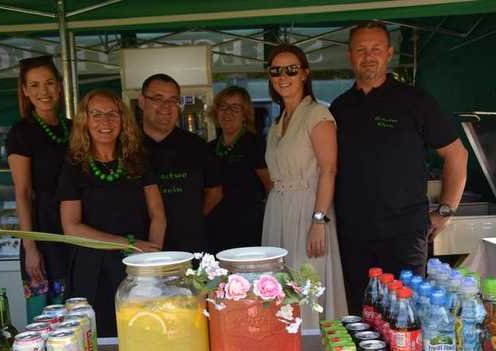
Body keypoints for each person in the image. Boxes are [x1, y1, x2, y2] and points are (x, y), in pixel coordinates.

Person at [330, 22, 468, 315]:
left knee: (407, 317)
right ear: (349, 55)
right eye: (361, 50)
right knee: (362, 314)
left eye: (376, 49)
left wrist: (445, 211)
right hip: (353, 233)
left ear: (390, 53)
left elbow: (456, 154)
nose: (369, 56)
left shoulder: (414, 101)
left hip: (404, 233)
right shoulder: (339, 108)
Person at [58, 89, 166, 337]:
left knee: (142, 332)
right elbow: (71, 227)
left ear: (123, 120)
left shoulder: (138, 160)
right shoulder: (73, 167)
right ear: (85, 121)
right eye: (96, 114)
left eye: (112, 114)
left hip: (135, 267)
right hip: (91, 269)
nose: (105, 122)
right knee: (98, 340)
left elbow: (158, 214)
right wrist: (129, 244)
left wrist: (150, 262)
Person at [262, 44, 348, 321]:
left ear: (304, 74)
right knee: (281, 286)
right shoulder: (280, 120)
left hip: (308, 209)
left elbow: (329, 169)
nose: (282, 76)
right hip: (279, 209)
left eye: (291, 69)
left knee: (307, 284)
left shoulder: (317, 115)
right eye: (276, 71)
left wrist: (318, 220)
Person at [7, 55, 72, 302]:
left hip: (75, 227)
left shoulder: (73, 128)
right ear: (24, 91)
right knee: (49, 315)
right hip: (44, 231)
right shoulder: (21, 133)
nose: (43, 91)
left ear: (60, 85)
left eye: (49, 83)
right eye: (34, 85)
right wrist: (30, 246)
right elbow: (22, 192)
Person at [139, 73, 222, 253]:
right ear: (142, 101)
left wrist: (192, 219)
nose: (166, 107)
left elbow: (215, 192)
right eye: (157, 99)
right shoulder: (128, 146)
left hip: (190, 247)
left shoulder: (197, 146)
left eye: (172, 100)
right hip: (141, 246)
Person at [206, 86, 272, 253]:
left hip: (248, 228)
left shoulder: (254, 144)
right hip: (216, 229)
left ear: (245, 114)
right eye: (223, 106)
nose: (228, 112)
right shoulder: (209, 148)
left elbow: (270, 186)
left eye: (235, 107)